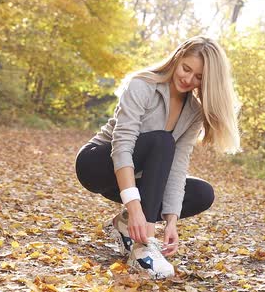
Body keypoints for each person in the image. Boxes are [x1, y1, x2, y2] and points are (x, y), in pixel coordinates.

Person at [74, 36, 240, 279]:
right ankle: (143, 248)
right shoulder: (142, 85)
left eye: (199, 77)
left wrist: (171, 220)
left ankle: (124, 224)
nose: (188, 79)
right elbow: (122, 145)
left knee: (202, 193)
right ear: (178, 57)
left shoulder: (193, 111)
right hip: (99, 164)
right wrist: (137, 209)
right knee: (162, 140)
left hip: (133, 178)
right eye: (186, 68)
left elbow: (177, 166)